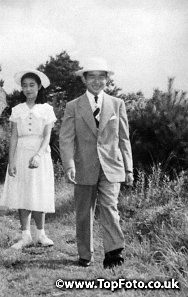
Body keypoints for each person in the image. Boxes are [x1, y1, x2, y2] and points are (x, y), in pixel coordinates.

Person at [59, 57, 134, 269]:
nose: (97, 81)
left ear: (107, 80)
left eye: (102, 76)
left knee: (110, 207)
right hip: (83, 166)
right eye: (92, 76)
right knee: (84, 212)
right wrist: (69, 165)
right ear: (84, 79)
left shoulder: (117, 104)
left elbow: (124, 138)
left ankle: (114, 254)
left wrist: (129, 168)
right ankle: (85, 254)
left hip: (112, 166)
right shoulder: (73, 106)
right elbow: (65, 138)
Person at [0, 70, 56, 249]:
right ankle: (25, 236)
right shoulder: (17, 110)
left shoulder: (47, 109)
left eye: (32, 85)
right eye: (24, 86)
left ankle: (41, 234)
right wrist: (12, 161)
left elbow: (47, 136)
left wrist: (38, 155)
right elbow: (14, 137)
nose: (28, 89)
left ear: (39, 87)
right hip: (21, 153)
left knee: (38, 191)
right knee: (22, 193)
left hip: (40, 153)